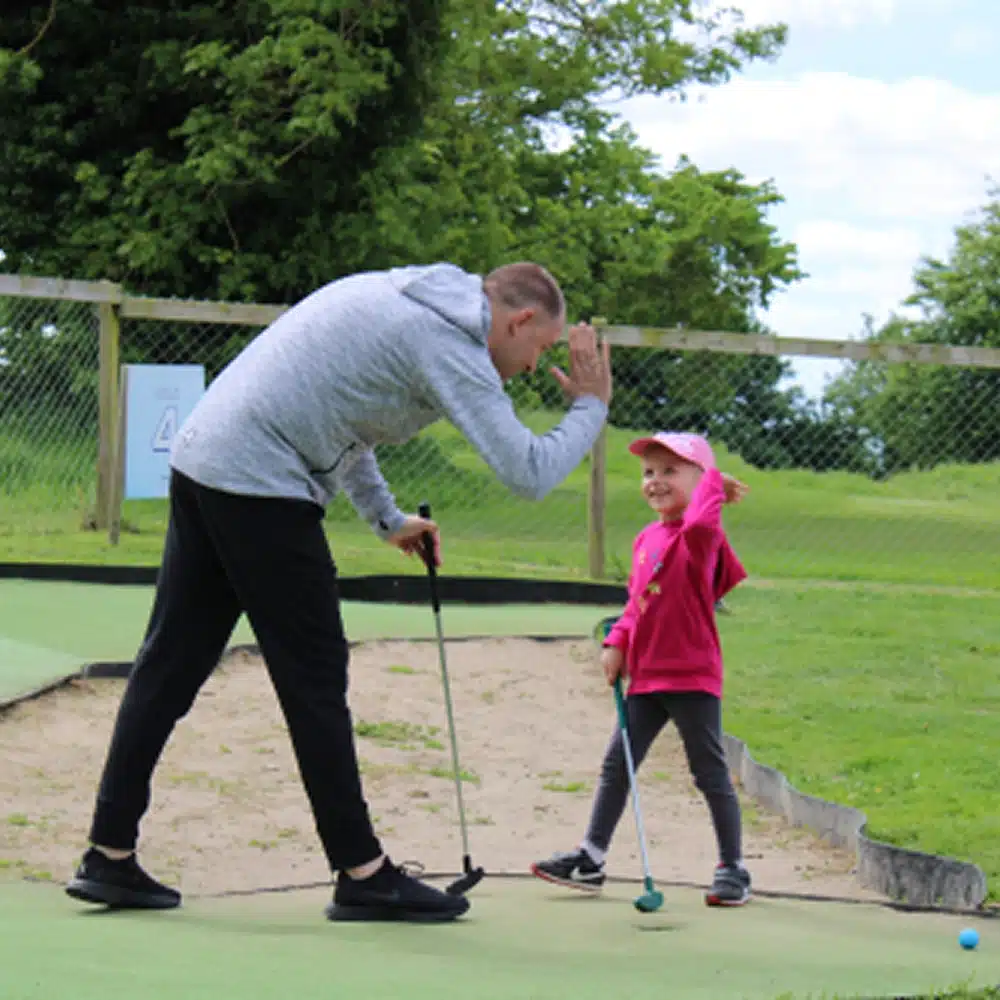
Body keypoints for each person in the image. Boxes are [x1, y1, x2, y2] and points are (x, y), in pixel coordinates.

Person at [65, 261, 612, 924]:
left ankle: (108, 853)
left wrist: (388, 520)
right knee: (315, 678)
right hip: (257, 481)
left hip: (204, 459)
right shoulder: (448, 341)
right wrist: (590, 407)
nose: (533, 365)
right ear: (519, 320)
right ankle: (363, 873)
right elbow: (527, 473)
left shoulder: (406, 293)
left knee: (170, 664)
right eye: (541, 349)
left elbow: (341, 419)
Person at [530, 431, 754, 907]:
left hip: (691, 675)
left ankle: (733, 868)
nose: (655, 481)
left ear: (700, 479)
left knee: (707, 769)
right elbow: (638, 602)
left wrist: (712, 486)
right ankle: (591, 858)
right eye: (649, 473)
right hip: (647, 677)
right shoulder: (646, 538)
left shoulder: (703, 539)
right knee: (618, 765)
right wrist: (617, 641)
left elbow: (698, 528)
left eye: (670, 471)